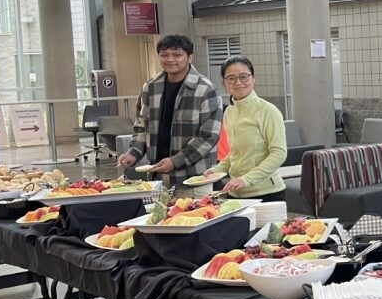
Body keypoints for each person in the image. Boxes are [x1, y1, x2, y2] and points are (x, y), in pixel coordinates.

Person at [117, 34, 223, 189]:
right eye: (164, 55)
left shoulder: (206, 90)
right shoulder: (150, 87)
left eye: (177, 55)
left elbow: (208, 137)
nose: (170, 59)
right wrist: (133, 153)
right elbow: (141, 128)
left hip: (194, 177)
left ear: (190, 58)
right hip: (156, 175)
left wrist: (175, 161)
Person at [209, 56, 287, 202]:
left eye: (243, 76)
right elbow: (235, 153)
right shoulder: (229, 112)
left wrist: (247, 179)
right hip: (235, 193)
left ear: (253, 78)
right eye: (231, 78)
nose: (238, 82)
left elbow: (279, 153)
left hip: (267, 192)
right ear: (224, 83)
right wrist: (216, 170)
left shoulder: (267, 110)